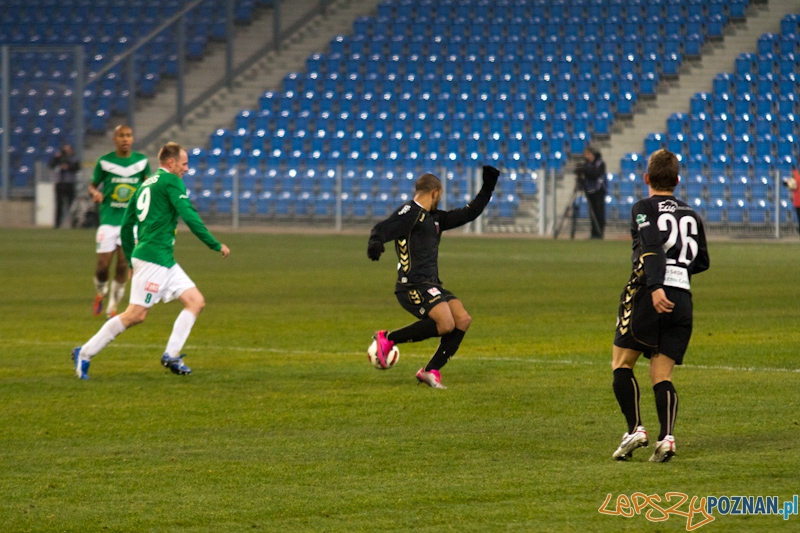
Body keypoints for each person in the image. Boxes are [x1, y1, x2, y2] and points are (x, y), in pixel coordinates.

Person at [71, 142, 230, 380]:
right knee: (135, 315)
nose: (186, 169)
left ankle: (172, 355)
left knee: (195, 301)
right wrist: (214, 244)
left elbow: (126, 226)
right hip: (153, 259)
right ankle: (84, 352)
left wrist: (132, 258)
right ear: (170, 163)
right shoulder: (171, 181)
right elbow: (189, 214)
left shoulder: (144, 184)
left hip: (162, 259)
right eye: (184, 164)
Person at [610, 149, 709, 463]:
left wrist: (654, 286)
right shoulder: (692, 214)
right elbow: (702, 261)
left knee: (622, 364)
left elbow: (651, 246)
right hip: (682, 297)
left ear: (646, 178)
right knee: (662, 374)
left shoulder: (643, 207)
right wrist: (677, 274)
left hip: (648, 291)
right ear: (677, 181)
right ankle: (666, 438)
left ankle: (636, 429)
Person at [366, 165, 499, 389]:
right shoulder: (410, 212)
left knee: (462, 320)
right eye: (441, 195)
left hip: (431, 284)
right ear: (435, 192)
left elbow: (469, 213)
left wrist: (488, 187)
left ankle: (430, 371)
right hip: (412, 285)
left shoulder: (435, 218)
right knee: (446, 323)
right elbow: (385, 227)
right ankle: (387, 338)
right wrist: (376, 241)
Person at [88, 125, 151, 318]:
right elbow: (92, 186)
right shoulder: (105, 162)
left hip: (131, 222)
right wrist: (95, 193)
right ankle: (101, 291)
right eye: (122, 136)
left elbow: (149, 185)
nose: (125, 139)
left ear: (132, 139)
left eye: (129, 135)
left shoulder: (141, 162)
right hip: (108, 220)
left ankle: (113, 307)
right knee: (102, 267)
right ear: (115, 139)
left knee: (123, 265)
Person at [575, 146, 607, 239]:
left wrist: (584, 171)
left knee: (599, 212)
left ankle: (600, 232)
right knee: (592, 212)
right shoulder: (587, 165)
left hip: (598, 190)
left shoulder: (599, 163)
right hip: (590, 190)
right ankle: (594, 233)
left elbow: (595, 174)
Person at [48, 144, 81, 228]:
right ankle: (57, 224)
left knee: (72, 205)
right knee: (59, 205)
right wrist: (56, 157)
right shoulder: (58, 158)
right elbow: (51, 165)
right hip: (59, 183)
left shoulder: (73, 158)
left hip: (69, 183)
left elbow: (77, 168)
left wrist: (68, 167)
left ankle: (73, 223)